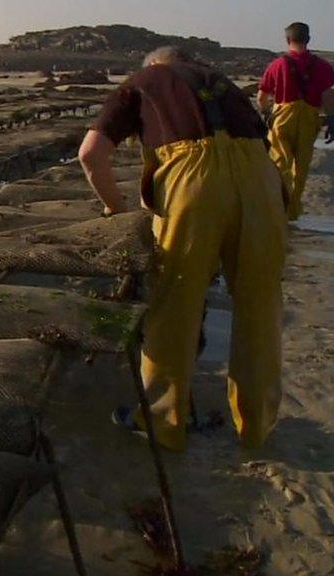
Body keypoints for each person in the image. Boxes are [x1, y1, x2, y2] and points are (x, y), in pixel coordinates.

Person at [78, 47, 286, 452]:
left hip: (194, 184)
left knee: (174, 304)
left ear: (154, 64)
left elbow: (90, 154)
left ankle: (162, 423)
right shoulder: (224, 84)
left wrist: (114, 208)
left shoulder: (142, 83)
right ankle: (256, 426)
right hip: (261, 183)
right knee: (260, 305)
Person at [258, 22, 334, 221]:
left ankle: (277, 208)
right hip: (309, 118)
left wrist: (266, 114)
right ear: (308, 40)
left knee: (280, 162)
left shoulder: (277, 65)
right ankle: (292, 211)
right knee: (301, 167)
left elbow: (262, 96)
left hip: (283, 116)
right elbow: (327, 96)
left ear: (287, 40)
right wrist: (332, 119)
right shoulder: (323, 66)